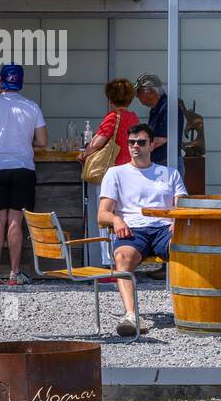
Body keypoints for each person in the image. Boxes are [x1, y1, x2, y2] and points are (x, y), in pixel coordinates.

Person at [97, 124, 187, 336]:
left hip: (164, 228)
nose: (135, 146)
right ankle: (131, 315)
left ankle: (192, 309)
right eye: (131, 142)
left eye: (141, 142)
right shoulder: (116, 173)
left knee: (188, 250)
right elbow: (102, 214)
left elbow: (182, 204)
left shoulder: (169, 173)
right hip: (132, 230)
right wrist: (117, 220)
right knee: (122, 257)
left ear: (152, 145)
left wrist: (177, 220)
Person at [0, 63, 48, 286]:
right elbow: (42, 141)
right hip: (23, 168)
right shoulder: (31, 106)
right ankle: (14, 274)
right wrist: (24, 140)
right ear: (20, 82)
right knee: (15, 222)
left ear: (0, 81)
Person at [78, 78, 140, 266]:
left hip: (110, 173)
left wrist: (84, 153)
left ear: (110, 98)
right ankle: (124, 258)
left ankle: (108, 262)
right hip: (128, 172)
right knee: (122, 216)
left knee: (105, 217)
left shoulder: (113, 117)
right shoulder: (134, 118)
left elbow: (98, 142)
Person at [135, 73, 185, 171]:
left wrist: (138, 148)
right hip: (160, 163)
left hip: (167, 164)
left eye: (139, 92)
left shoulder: (168, 107)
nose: (137, 96)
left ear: (150, 91)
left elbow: (161, 139)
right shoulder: (156, 108)